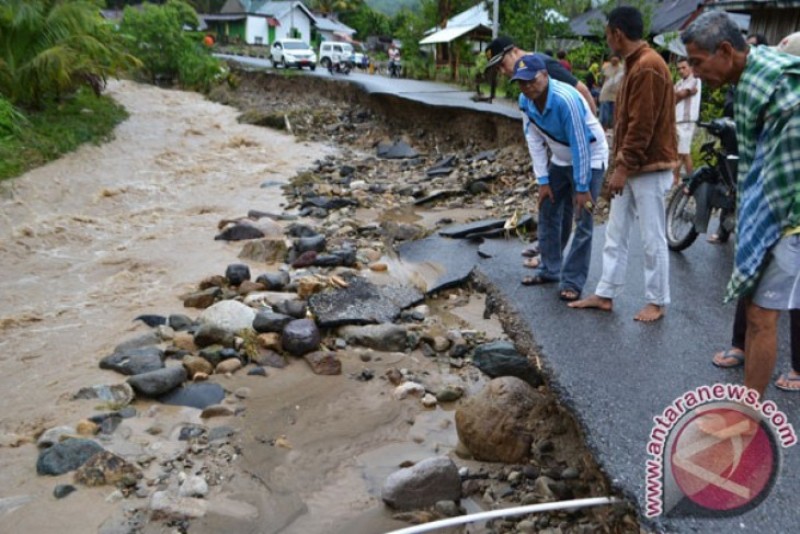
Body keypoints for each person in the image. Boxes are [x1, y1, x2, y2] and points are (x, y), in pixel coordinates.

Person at [682, 12, 800, 397]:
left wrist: (760, 227)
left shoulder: (767, 82)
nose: (695, 73)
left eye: (698, 62)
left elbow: (780, 171)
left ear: (727, 51)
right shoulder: (756, 75)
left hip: (789, 215)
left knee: (762, 316)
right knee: (755, 312)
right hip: (778, 209)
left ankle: (750, 415)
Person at [569, 6, 677, 322]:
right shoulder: (637, 64)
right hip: (634, 166)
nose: (607, 40)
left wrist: (622, 167)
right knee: (615, 233)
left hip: (648, 167)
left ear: (617, 33)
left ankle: (656, 301)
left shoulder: (647, 66)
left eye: (607, 34)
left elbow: (642, 125)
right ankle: (605, 293)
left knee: (651, 236)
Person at [511, 55, 609, 301]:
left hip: (591, 157)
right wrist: (543, 180)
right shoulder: (525, 101)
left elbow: (580, 144)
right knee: (548, 209)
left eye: (531, 80)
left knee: (583, 218)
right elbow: (533, 139)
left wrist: (583, 186)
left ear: (545, 75)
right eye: (521, 83)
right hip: (560, 158)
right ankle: (550, 269)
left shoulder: (566, 100)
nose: (527, 87)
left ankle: (573, 281)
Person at [485, 36, 597, 115]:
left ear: (515, 51)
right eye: (498, 69)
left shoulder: (544, 65)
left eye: (503, 64)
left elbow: (583, 90)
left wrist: (593, 128)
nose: (503, 72)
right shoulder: (523, 75)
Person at [673, 58, 701, 184]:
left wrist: (679, 94)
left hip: (687, 120)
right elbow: (672, 96)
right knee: (680, 151)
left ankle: (688, 179)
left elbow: (680, 95)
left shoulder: (695, 80)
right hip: (677, 120)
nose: (681, 71)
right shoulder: (679, 83)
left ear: (690, 67)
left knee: (684, 152)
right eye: (679, 68)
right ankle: (679, 178)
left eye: (684, 68)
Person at [598, 54, 623, 130]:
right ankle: (603, 128)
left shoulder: (622, 69)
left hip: (616, 93)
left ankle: (613, 128)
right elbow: (602, 79)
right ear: (610, 59)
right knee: (604, 114)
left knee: (615, 113)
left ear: (619, 59)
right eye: (613, 58)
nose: (614, 60)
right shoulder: (605, 67)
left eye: (616, 58)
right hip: (606, 93)